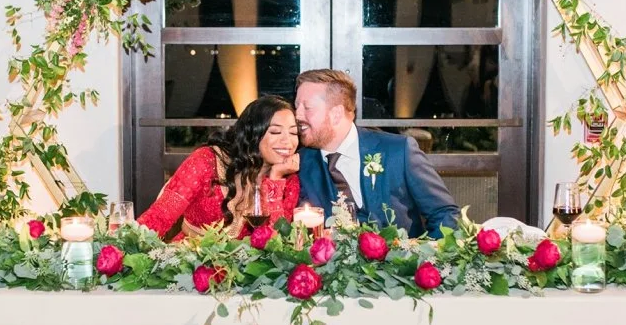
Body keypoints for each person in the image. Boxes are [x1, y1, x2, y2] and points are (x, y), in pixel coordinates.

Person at [294, 69, 460, 237]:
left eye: (307, 107)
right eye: (296, 106)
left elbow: (445, 214)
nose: (297, 115)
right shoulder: (301, 164)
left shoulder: (399, 151)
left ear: (336, 114)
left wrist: (425, 258)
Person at [137, 95, 302, 241]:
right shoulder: (207, 161)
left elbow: (279, 245)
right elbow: (160, 216)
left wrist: (275, 179)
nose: (288, 142)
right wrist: (122, 250)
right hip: (191, 263)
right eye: (275, 132)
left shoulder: (288, 180)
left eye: (293, 133)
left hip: (247, 273)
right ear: (253, 133)